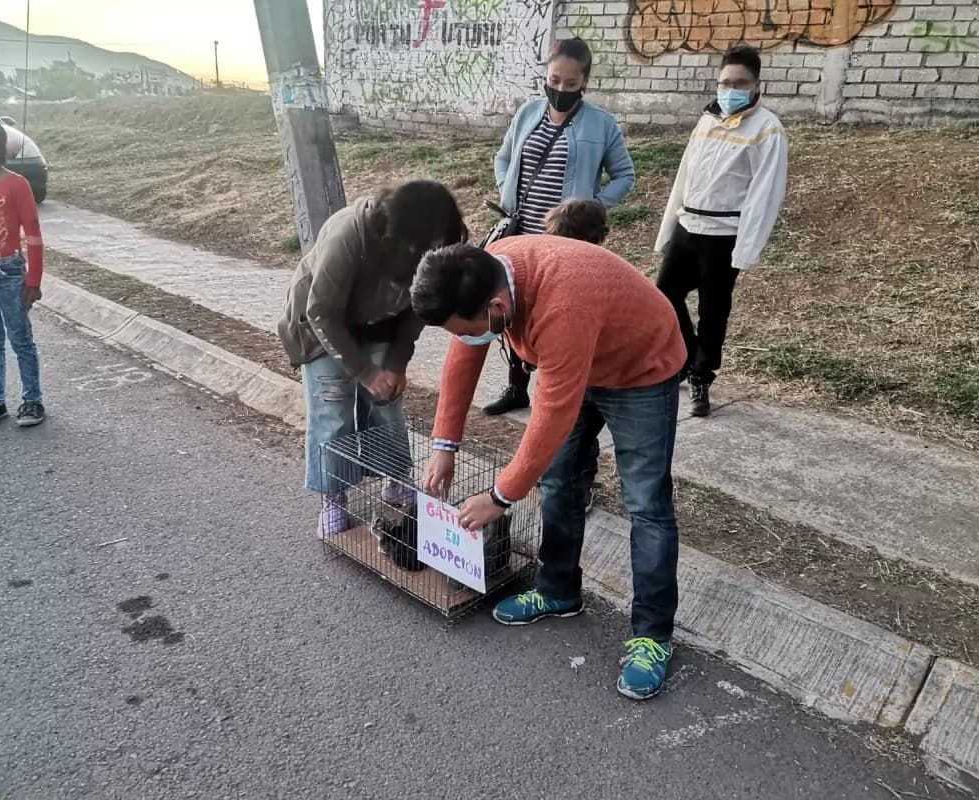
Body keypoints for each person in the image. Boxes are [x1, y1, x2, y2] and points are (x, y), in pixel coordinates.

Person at [411, 235, 685, 701]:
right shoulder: (485, 274)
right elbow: (465, 353)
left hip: (641, 369)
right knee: (559, 480)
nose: (466, 337)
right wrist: (444, 444)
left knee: (646, 504)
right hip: (580, 355)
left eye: (470, 327)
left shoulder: (562, 304)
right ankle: (558, 590)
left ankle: (652, 636)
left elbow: (553, 413)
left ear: (497, 306)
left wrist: (500, 495)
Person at [278, 181, 467, 539]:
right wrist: (363, 371)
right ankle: (333, 496)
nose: (432, 250)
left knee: (387, 402)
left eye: (438, 243)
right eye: (425, 244)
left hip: (379, 322)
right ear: (400, 234)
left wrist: (397, 362)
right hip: (322, 324)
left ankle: (395, 481)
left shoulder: (435, 245)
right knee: (332, 410)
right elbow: (321, 311)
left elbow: (418, 306)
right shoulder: (350, 234)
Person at [484, 37, 636, 417]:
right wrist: (507, 195)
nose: (560, 90)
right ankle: (517, 387)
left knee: (558, 313)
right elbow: (504, 159)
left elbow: (625, 175)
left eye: (570, 84)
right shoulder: (528, 112)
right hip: (522, 234)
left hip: (566, 241)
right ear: (546, 75)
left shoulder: (601, 124)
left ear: (584, 81)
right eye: (554, 80)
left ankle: (560, 397)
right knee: (516, 310)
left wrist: (591, 208)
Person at [655, 44, 788, 417]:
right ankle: (686, 356)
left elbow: (766, 192)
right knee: (664, 295)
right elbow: (685, 175)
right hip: (688, 226)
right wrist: (669, 227)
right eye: (725, 82)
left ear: (757, 85)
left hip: (723, 234)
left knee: (714, 309)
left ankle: (701, 374)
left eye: (740, 82)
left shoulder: (767, 129)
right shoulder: (708, 120)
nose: (731, 89)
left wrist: (746, 248)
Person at [0, 113, 45, 430]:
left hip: (9, 272)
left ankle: (32, 399)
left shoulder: (17, 185)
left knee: (21, 338)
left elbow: (33, 235)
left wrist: (33, 281)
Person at [543, 198, 608, 514]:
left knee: (581, 434)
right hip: (567, 369)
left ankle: (582, 484)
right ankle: (558, 475)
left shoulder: (600, 273)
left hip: (597, 373)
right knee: (562, 429)